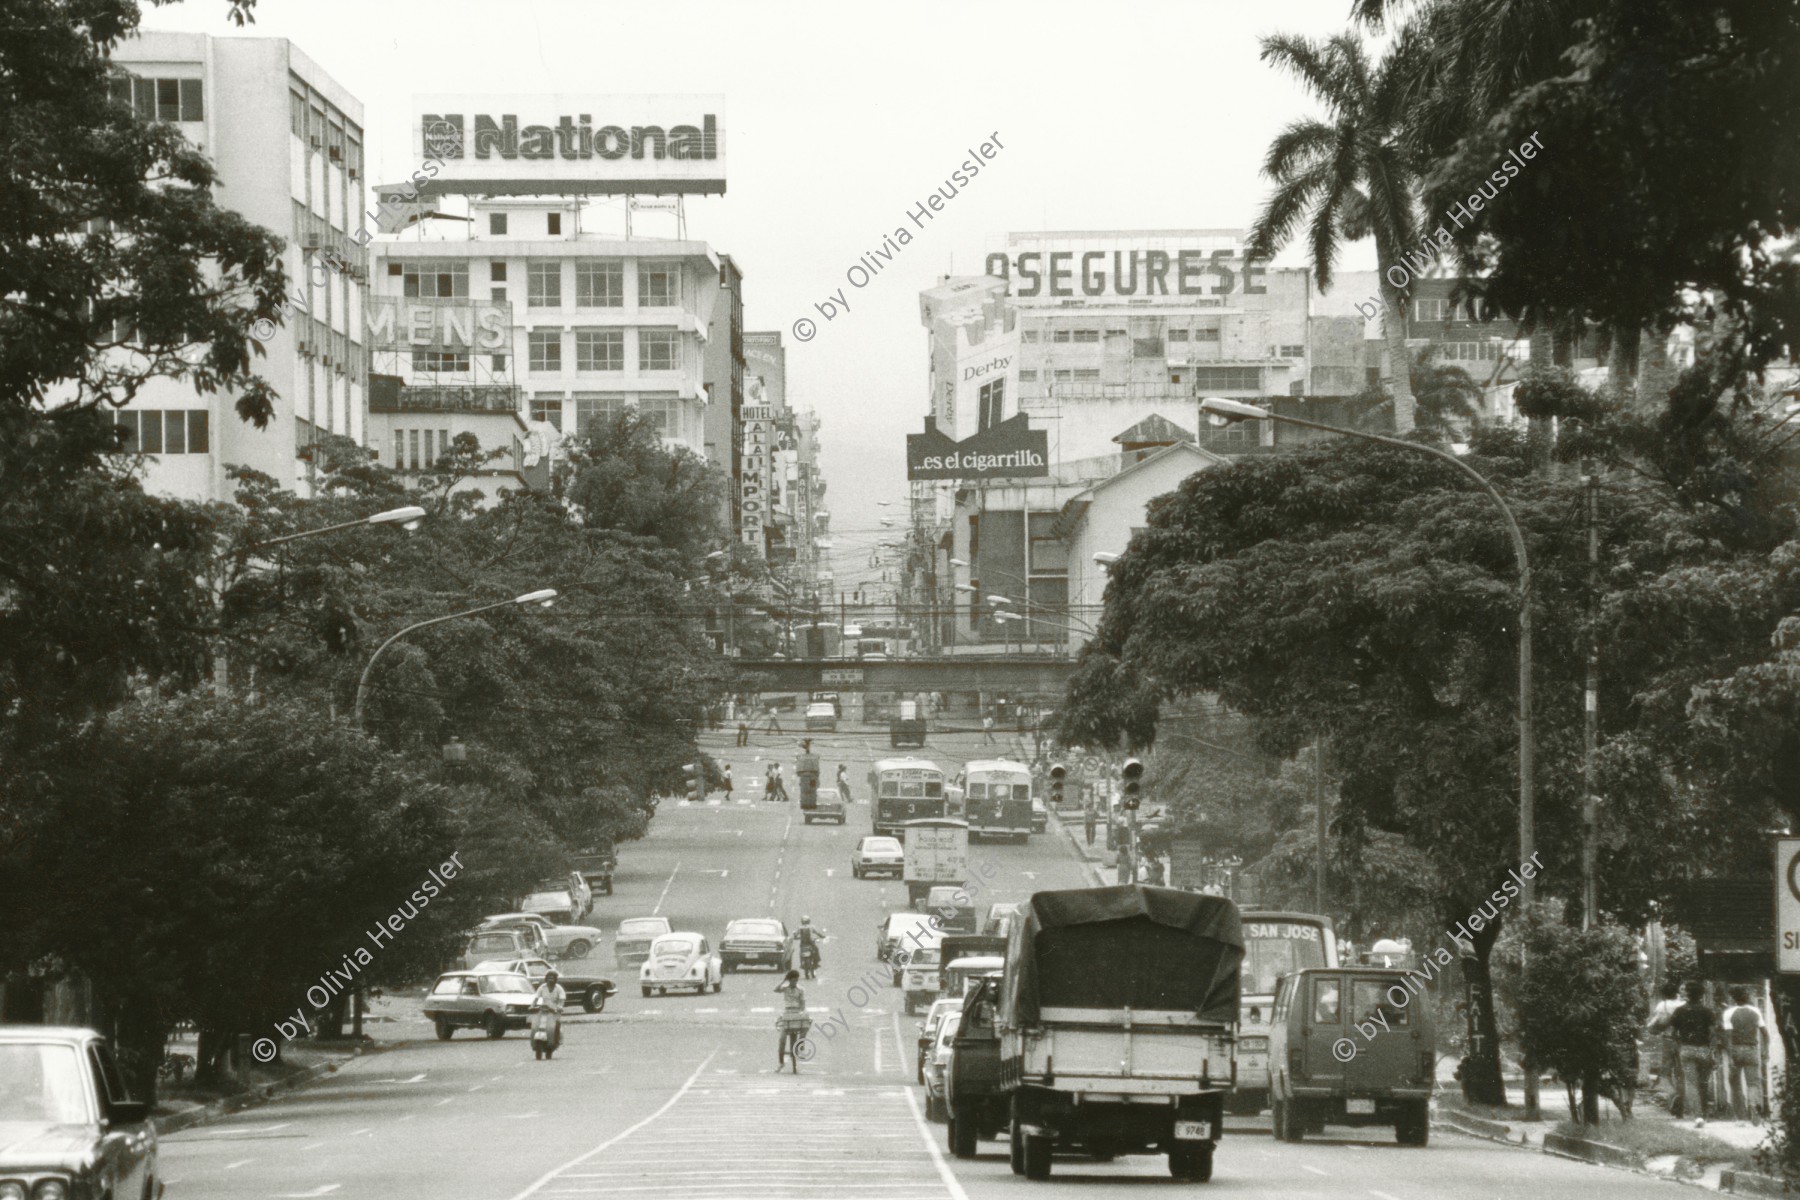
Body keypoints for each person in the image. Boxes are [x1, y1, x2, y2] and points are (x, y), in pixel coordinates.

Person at [1671, 981, 1719, 1126]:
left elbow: (1673, 1033)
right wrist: (1712, 1051)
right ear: (1702, 994)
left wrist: (1680, 1045)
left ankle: (1698, 1116)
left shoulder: (1679, 1011)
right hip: (1703, 1049)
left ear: (1687, 993)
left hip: (1686, 1049)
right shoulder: (1707, 1011)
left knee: (1691, 1083)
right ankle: (1705, 1114)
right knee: (1703, 1083)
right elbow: (1712, 1033)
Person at [1723, 986, 1768, 1122]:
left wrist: (1730, 1056)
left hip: (1736, 1049)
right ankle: (1753, 1106)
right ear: (1747, 997)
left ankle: (1740, 1116)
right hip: (1751, 1049)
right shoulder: (1755, 1011)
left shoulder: (1729, 1013)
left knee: (1735, 1083)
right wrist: (1765, 1050)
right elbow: (1765, 1034)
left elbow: (1728, 1037)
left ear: (1733, 998)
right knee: (1753, 1082)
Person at [1647, 981, 1683, 1109]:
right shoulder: (1684, 1004)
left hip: (1668, 1039)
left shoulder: (1663, 1005)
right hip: (1683, 1041)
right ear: (1677, 993)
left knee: (1665, 1073)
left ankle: (1673, 1095)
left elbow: (1653, 1024)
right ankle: (1682, 1099)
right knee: (1681, 1072)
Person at [774, 970, 810, 1068]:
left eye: (796, 980)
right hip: (787, 1012)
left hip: (797, 1012)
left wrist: (802, 1012)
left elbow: (803, 1004)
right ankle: (781, 1061)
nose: (794, 982)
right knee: (782, 1039)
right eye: (793, 980)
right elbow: (775, 989)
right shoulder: (785, 988)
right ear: (789, 980)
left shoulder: (801, 989)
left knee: (806, 1024)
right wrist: (783, 980)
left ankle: (800, 1045)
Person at [531, 969, 567, 1052]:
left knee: (556, 1025)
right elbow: (536, 998)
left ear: (555, 979)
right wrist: (532, 1005)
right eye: (549, 978)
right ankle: (534, 1043)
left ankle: (556, 1041)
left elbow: (562, 1000)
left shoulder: (559, 989)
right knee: (536, 1025)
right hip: (543, 1010)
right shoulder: (542, 987)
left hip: (555, 1011)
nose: (550, 980)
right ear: (546, 978)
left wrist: (560, 1007)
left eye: (552, 978)